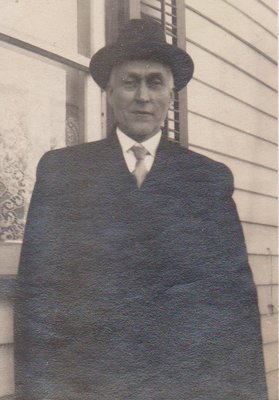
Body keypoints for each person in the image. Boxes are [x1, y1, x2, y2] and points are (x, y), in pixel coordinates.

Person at [15, 18, 267, 400]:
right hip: (88, 385)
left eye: (155, 82)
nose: (143, 96)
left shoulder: (207, 180)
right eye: (131, 82)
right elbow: (38, 295)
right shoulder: (64, 172)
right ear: (109, 90)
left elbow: (234, 306)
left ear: (172, 92)